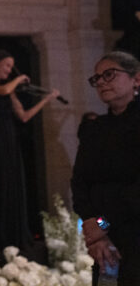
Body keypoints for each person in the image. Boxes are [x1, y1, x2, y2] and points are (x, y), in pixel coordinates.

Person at [0, 49, 60, 251]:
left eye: (11, 67)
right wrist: (19, 78)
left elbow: (23, 116)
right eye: (7, 65)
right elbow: (2, 91)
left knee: (13, 182)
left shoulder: (9, 89)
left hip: (10, 139)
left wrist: (46, 100)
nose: (9, 70)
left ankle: (15, 234)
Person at [71, 51, 140, 285]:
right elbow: (79, 182)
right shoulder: (94, 129)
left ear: (136, 79)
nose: (100, 82)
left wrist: (103, 224)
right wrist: (94, 227)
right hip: (104, 238)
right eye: (96, 78)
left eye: (109, 74)